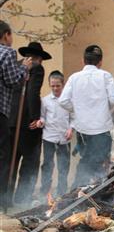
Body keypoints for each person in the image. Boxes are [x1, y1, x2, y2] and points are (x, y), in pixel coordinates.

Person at [59, 45, 114, 188]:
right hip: (101, 128)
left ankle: (78, 190)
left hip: (82, 128)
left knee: (86, 160)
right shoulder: (106, 76)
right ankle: (96, 191)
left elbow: (63, 101)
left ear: (83, 61)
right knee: (101, 162)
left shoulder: (74, 78)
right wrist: (103, 108)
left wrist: (78, 111)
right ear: (100, 61)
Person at [9, 41, 51, 206]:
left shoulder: (15, 66)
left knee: (9, 162)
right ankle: (22, 199)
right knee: (30, 163)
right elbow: (33, 93)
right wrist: (35, 118)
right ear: (38, 58)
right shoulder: (37, 68)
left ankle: (5, 199)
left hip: (9, 122)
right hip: (27, 124)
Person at [0, 20, 31, 208]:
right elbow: (12, 80)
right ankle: (2, 200)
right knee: (3, 154)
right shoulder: (8, 53)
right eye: (11, 35)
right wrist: (24, 67)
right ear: (5, 35)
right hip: (1, 111)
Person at [38, 70, 73, 198]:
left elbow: (73, 118)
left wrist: (71, 129)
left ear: (62, 85)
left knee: (63, 167)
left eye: (58, 85)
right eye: (52, 85)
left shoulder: (68, 101)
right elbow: (42, 116)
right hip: (49, 137)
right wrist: (41, 122)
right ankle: (45, 193)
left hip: (64, 138)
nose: (55, 88)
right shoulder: (45, 100)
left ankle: (62, 193)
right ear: (49, 85)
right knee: (47, 165)